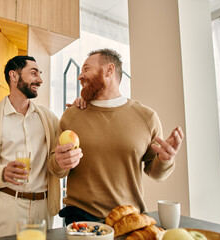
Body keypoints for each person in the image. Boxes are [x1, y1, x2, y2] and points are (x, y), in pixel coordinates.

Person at [48, 48, 184, 225]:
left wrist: (165, 159)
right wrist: (59, 162)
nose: (80, 76)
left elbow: (155, 173)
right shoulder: (72, 115)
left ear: (109, 70)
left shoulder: (147, 117)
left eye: (86, 69)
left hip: (130, 219)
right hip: (81, 220)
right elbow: (55, 167)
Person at [0, 55, 61, 238]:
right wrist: (2, 173)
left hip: (43, 209)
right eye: (33, 73)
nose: (39, 79)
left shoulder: (48, 118)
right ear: (14, 76)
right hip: (7, 207)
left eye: (40, 73)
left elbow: (64, 148)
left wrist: (80, 106)